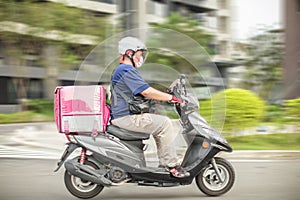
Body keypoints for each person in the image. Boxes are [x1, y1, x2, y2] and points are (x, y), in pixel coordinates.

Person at [110, 36, 190, 178]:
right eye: (140, 53)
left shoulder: (124, 70)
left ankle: (164, 163)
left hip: (124, 116)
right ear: (129, 53)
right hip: (126, 118)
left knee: (158, 121)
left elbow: (141, 93)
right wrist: (171, 98)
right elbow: (146, 91)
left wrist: (162, 99)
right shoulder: (126, 70)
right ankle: (172, 165)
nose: (141, 57)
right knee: (164, 124)